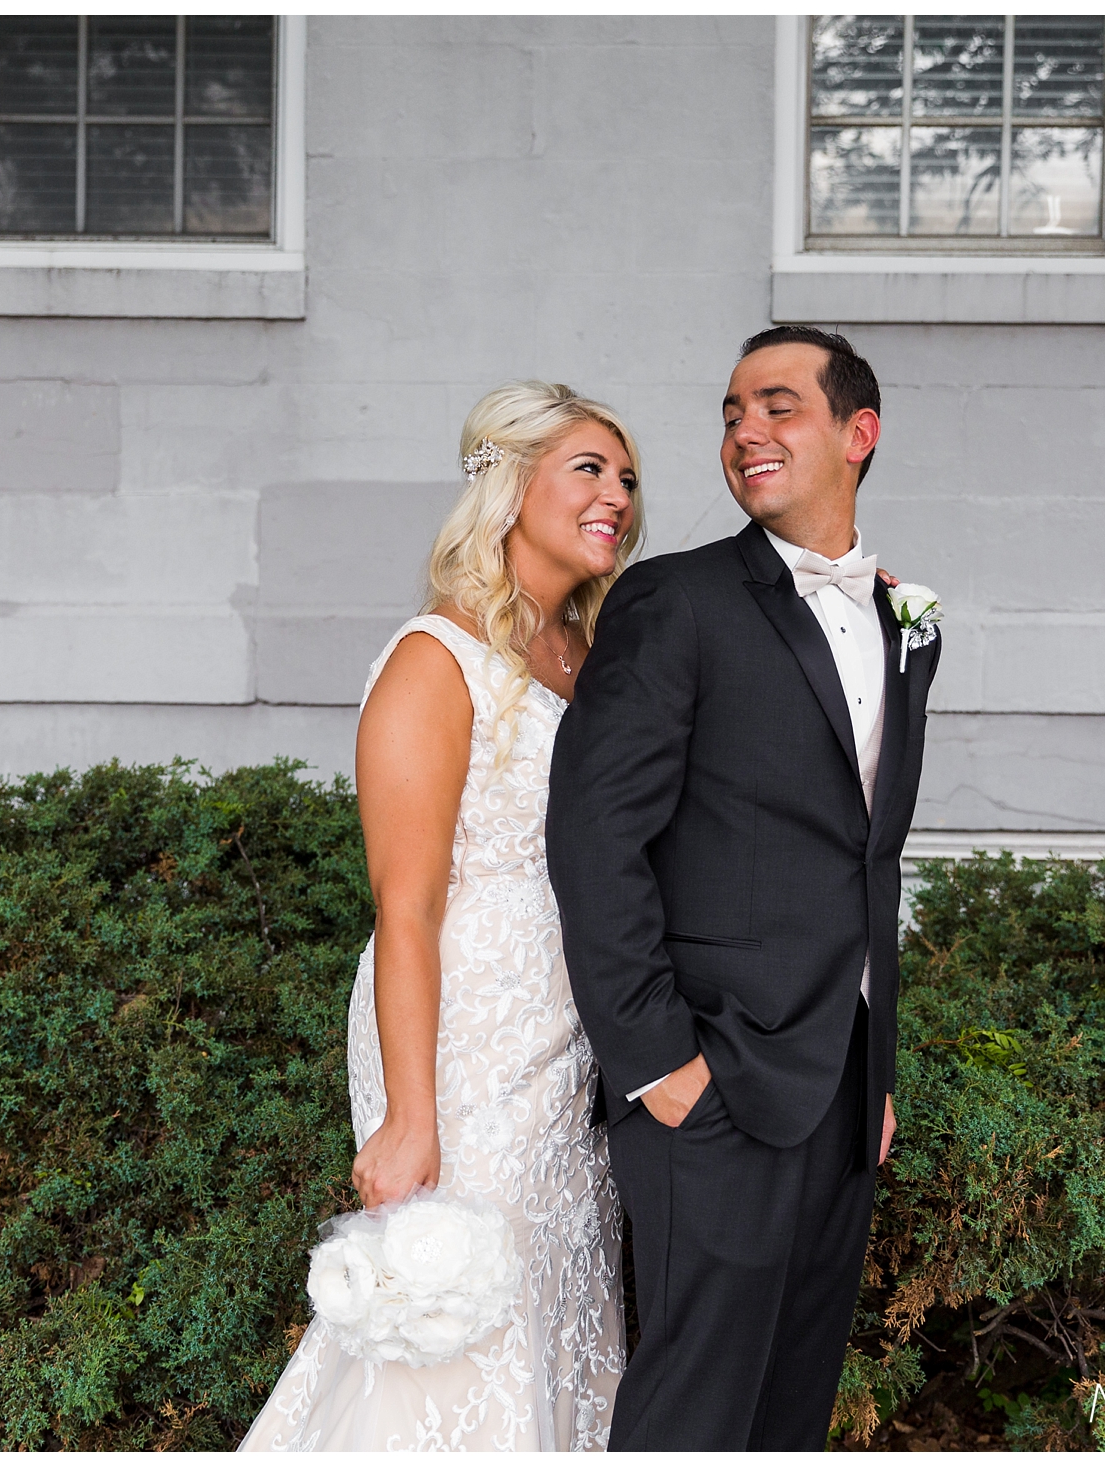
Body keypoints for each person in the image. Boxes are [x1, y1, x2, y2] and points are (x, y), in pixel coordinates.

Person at [546, 326, 939, 1451]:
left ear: (857, 434)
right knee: (692, 1412)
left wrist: (878, 1063)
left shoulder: (904, 621)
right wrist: (658, 1064)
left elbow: (864, 856)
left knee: (788, 1411)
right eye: (730, 412)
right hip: (709, 1080)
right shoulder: (674, 603)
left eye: (777, 406)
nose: (745, 433)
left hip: (843, 1086)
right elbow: (593, 837)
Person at [241, 381, 645, 1452]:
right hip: (461, 1041)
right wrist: (410, 1115)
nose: (618, 495)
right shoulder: (435, 658)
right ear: (509, 487)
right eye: (589, 470)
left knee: (555, 1295)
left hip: (563, 1051)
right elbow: (406, 904)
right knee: (463, 1308)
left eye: (628, 477)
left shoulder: (592, 657)